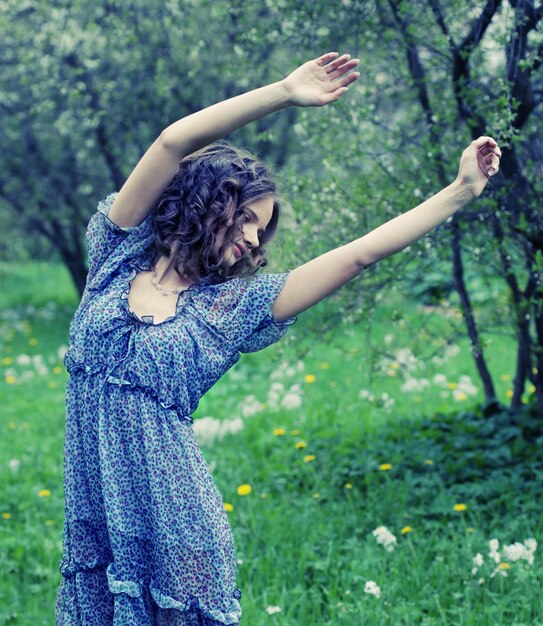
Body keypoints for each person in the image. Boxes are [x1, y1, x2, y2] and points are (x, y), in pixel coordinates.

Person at [54, 51, 500, 625]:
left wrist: (460, 192)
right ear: (205, 201)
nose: (250, 238)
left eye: (260, 230)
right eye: (243, 217)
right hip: (97, 518)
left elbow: (359, 254)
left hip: (178, 526)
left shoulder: (232, 306)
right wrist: (285, 91)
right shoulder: (117, 254)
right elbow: (171, 143)